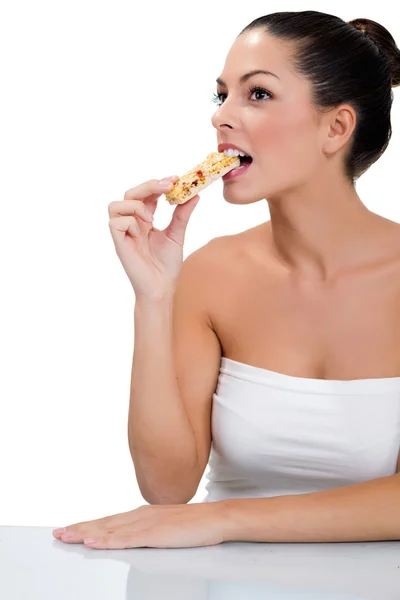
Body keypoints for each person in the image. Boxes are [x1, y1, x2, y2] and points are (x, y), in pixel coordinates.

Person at [53, 10, 400, 549]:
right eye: (221, 96)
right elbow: (166, 488)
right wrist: (154, 297)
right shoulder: (213, 274)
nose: (222, 118)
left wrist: (225, 520)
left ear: (336, 128)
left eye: (257, 94)